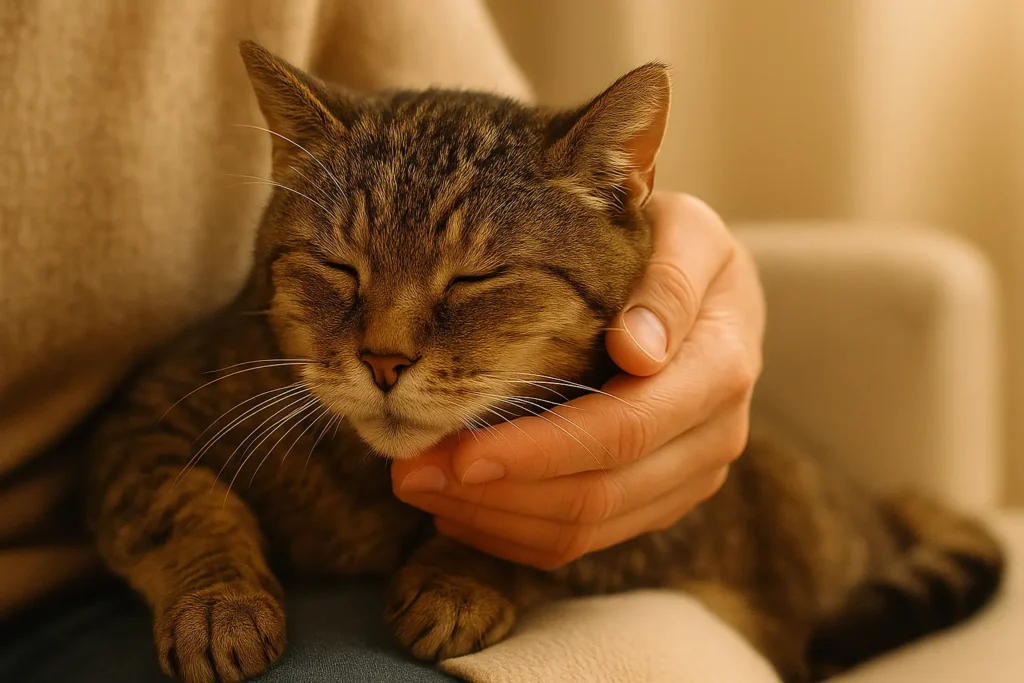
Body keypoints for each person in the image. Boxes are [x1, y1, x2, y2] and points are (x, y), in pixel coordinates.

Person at [0, 1, 764, 680]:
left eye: (471, 287)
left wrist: (696, 300)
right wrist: (207, 568)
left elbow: (483, 132)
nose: (385, 347)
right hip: (67, 588)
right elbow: (140, 441)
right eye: (336, 272)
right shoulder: (241, 378)